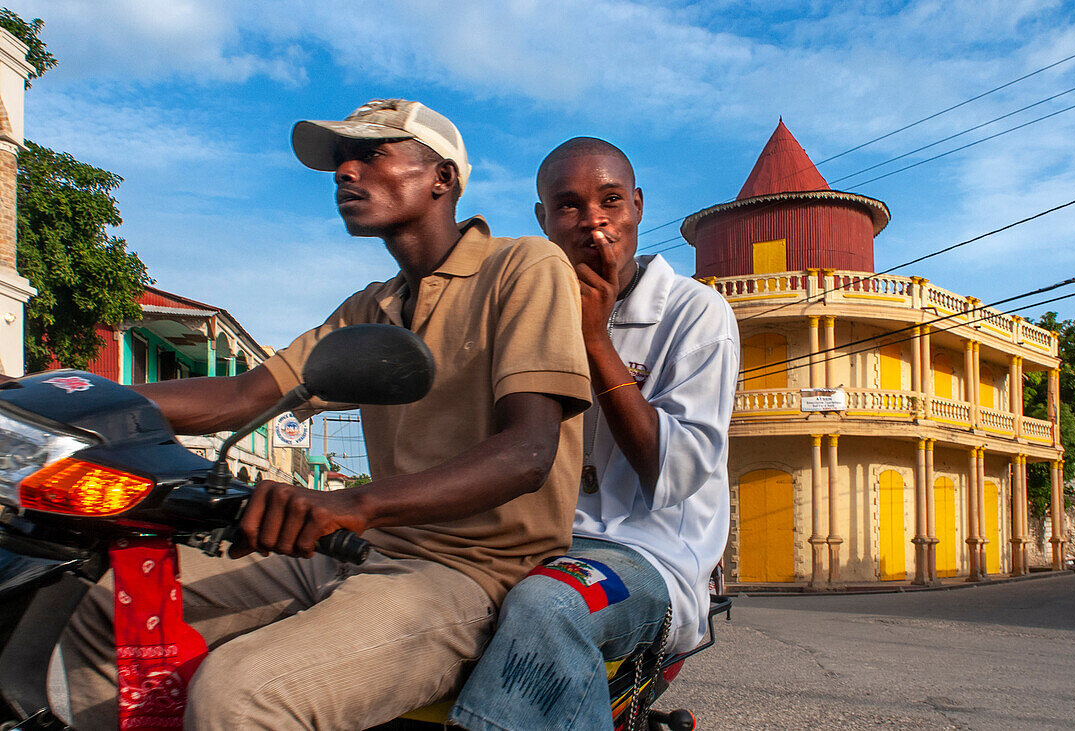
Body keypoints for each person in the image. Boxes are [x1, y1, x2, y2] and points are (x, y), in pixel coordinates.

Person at [54, 100, 592, 730]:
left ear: (442, 177)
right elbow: (244, 395)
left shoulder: (524, 266)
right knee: (105, 610)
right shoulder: (372, 305)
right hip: (355, 547)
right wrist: (68, 395)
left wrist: (354, 504)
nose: (346, 172)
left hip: (467, 571)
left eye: (371, 154)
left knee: (239, 694)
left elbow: (526, 455)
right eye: (339, 161)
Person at [449, 137, 739, 731]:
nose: (594, 221)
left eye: (611, 200)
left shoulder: (695, 313)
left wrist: (594, 339)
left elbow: (673, 471)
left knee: (550, 605)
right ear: (544, 220)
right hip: (534, 542)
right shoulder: (523, 314)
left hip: (647, 557)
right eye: (569, 205)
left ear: (637, 205)